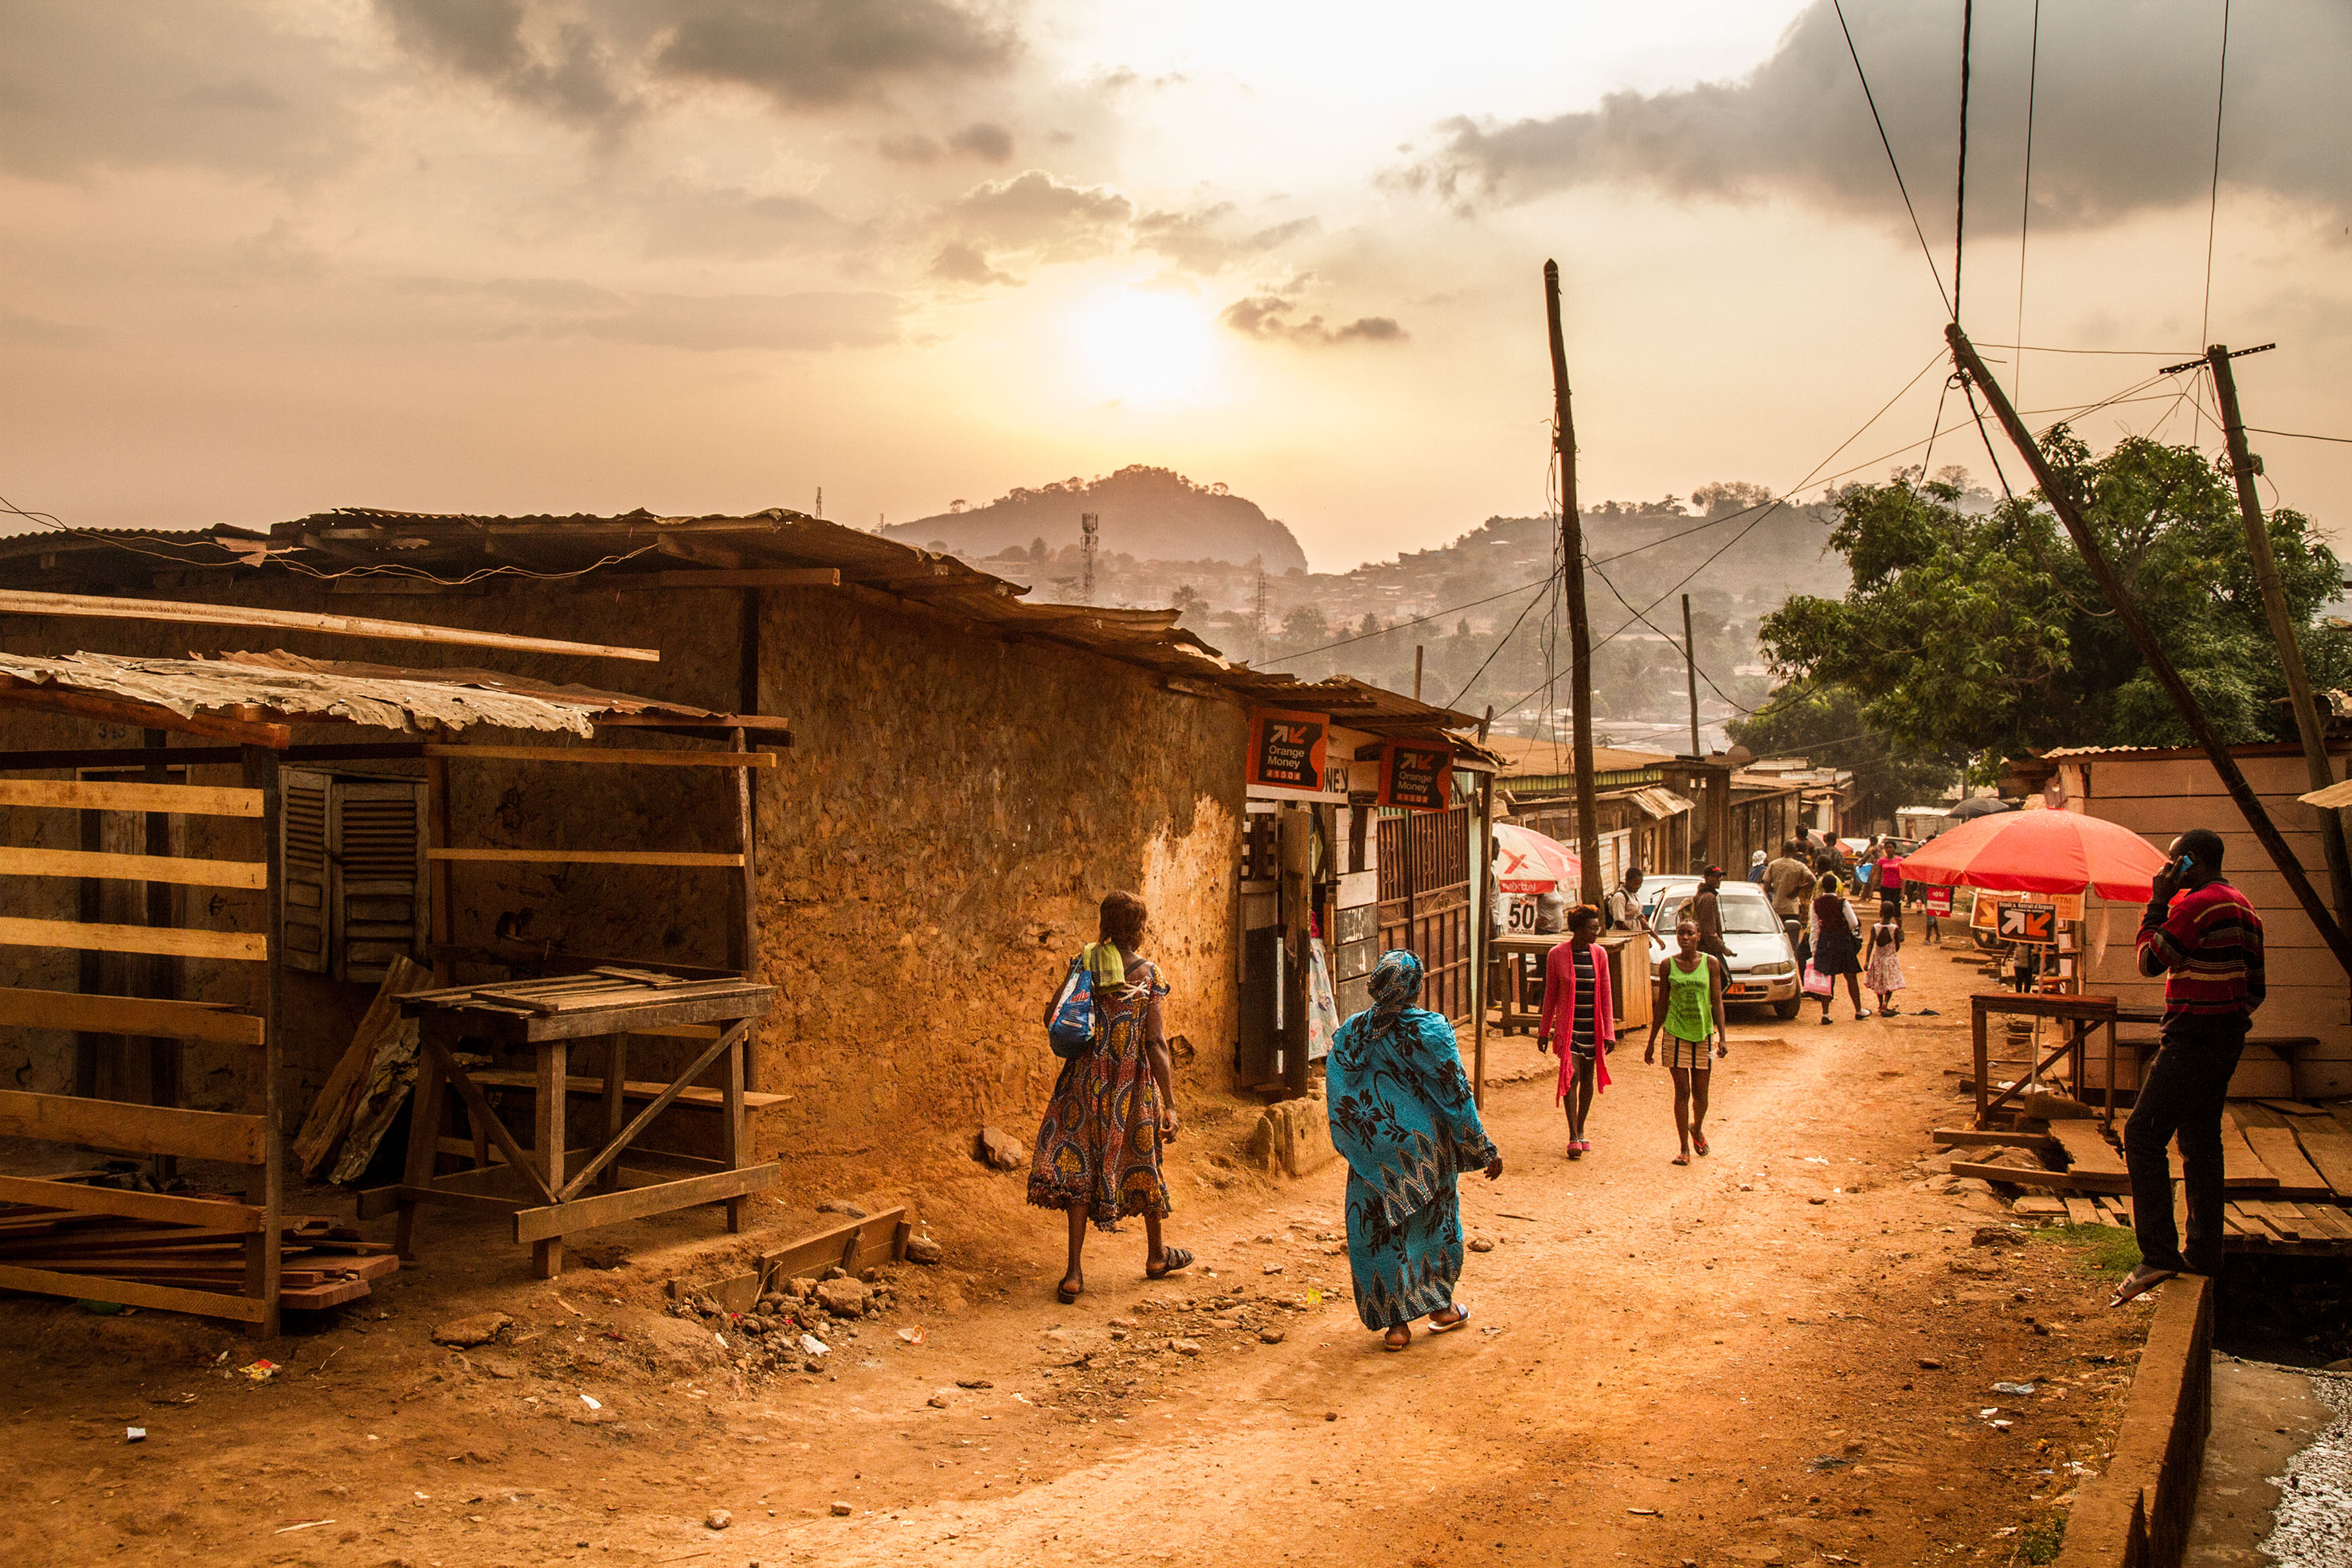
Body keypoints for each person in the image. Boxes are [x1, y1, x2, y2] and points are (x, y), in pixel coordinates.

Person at [2112, 829, 2265, 1308]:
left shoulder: (2195, 906)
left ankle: (2158, 1253)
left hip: (2191, 1038)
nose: (2165, 870)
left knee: (2142, 1134)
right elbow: (2256, 990)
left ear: (2189, 863)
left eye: (2172, 861)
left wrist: (2157, 903)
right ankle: (2204, 1251)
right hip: (2227, 1038)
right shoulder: (2244, 906)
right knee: (2200, 1141)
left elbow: (2149, 961)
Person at [1326, 951, 1505, 1351]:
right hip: (1423, 1152)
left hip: (1374, 1155)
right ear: (1415, 987)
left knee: (1379, 1235)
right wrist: (1481, 1146)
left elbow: (1338, 1094)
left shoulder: (1352, 1032)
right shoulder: (1432, 1030)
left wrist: (1363, 1142)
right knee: (1435, 1228)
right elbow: (1455, 1093)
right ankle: (1440, 1308)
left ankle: (1396, 1327)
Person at [1029, 890, 1189, 1303]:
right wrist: (1169, 1102)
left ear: (1104, 925)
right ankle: (1156, 1255)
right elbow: (1155, 1042)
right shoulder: (1148, 975)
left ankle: (1074, 1274)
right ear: (1138, 930)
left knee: (1081, 1166)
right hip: (1131, 1087)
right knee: (1145, 1159)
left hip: (1084, 1081)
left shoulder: (1083, 964)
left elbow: (1052, 1016)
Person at [1645, 917, 1727, 1164]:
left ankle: (1697, 1127)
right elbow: (1662, 1005)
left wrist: (1723, 1036)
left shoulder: (1711, 964)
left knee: (1702, 1095)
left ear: (1698, 936)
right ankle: (1683, 1148)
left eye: (1690, 933)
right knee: (1682, 1092)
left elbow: (1717, 1001)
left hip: (1702, 1035)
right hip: (1674, 1034)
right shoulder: (1668, 965)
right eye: (1681, 933)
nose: (1685, 938)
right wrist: (1651, 1042)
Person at [1538, 905, 1614, 1159]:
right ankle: (1572, 1135)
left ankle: (1581, 1128)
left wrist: (1609, 1032)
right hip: (1569, 1029)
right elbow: (1550, 995)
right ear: (1579, 930)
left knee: (1588, 1080)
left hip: (1592, 1028)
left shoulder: (1600, 955)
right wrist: (1543, 1030)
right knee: (1572, 1076)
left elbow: (1605, 994)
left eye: (1597, 927)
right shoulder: (1556, 955)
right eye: (1593, 928)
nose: (1597, 931)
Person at [1807, 874, 1866, 1023]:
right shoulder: (1842, 903)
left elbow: (1814, 929)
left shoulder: (1815, 904)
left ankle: (1825, 1014)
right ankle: (1858, 1010)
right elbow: (1853, 923)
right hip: (1842, 941)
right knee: (1850, 975)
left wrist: (1814, 949)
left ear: (1823, 887)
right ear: (1836, 887)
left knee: (1826, 977)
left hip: (1825, 942)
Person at [1862, 903, 1906, 1016]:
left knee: (1879, 982)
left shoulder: (1875, 927)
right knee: (1889, 983)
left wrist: (1867, 961)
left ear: (1880, 912)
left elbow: (1870, 944)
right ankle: (1886, 1002)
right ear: (1892, 914)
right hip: (1890, 959)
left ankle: (1880, 1002)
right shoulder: (1895, 929)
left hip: (1878, 958)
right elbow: (1897, 946)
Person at [1690, 865, 1732, 963]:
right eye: (1716, 877)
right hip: (1708, 952)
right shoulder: (1708, 898)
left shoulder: (1701, 896)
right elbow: (1709, 932)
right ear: (1707, 878)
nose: (1719, 880)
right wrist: (1723, 948)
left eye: (1720, 877)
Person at [1604, 866, 1652, 942]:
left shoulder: (1635, 896)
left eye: (1640, 884)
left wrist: (1654, 936)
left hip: (1635, 934)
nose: (1638, 887)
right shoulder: (1620, 897)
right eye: (1635, 884)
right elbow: (1619, 923)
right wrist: (1634, 937)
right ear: (1627, 881)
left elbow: (1640, 918)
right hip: (1623, 937)